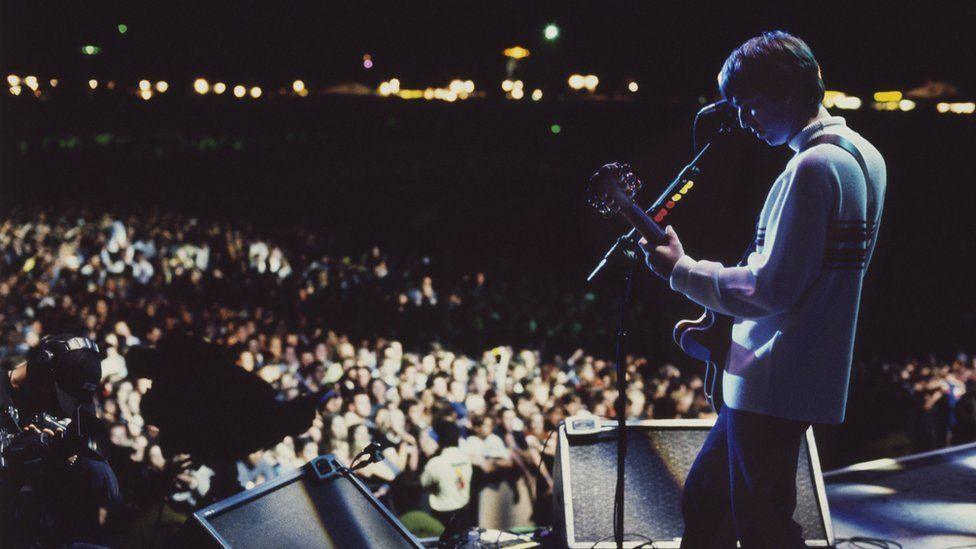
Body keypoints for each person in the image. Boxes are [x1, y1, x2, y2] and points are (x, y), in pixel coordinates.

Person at [641, 31, 886, 548]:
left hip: (774, 376)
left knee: (763, 526)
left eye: (748, 105)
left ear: (787, 94)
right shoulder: (866, 156)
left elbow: (768, 289)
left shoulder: (814, 168)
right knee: (708, 501)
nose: (745, 121)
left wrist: (681, 270)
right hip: (790, 372)